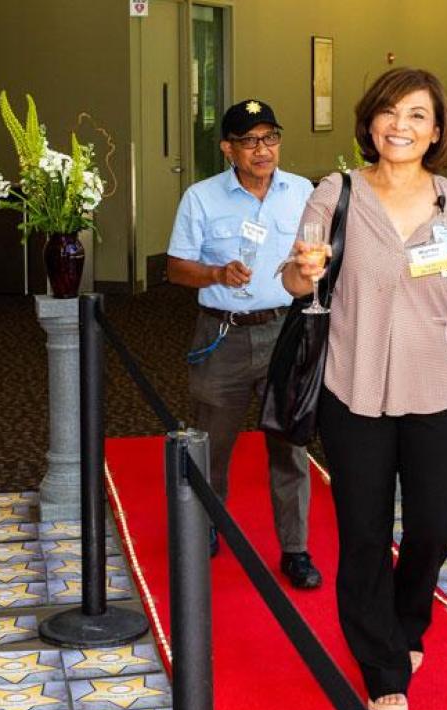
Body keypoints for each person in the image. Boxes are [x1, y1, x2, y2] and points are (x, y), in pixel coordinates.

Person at [284, 68, 447, 710]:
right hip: (353, 388)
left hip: (435, 385)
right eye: (389, 112)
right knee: (364, 534)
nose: (399, 126)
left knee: (436, 526)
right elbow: (297, 277)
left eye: (416, 115)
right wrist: (303, 268)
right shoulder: (338, 192)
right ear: (370, 121)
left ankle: (407, 621)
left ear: (436, 132)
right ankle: (383, 665)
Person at [166, 98, 322, 590]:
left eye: (270, 138)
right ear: (227, 149)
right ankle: (206, 526)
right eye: (250, 141)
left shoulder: (303, 192)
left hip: (285, 332)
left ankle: (295, 548)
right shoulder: (201, 198)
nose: (263, 150)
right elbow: (175, 268)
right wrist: (216, 273)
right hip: (224, 334)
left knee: (290, 446)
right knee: (212, 445)